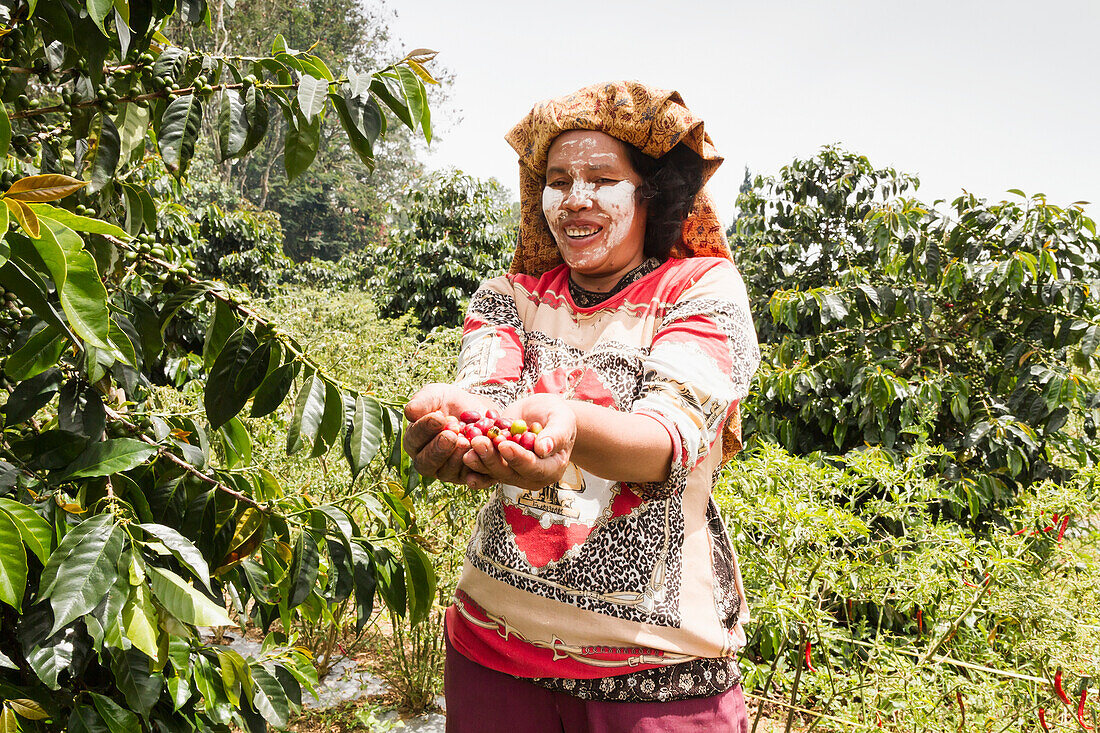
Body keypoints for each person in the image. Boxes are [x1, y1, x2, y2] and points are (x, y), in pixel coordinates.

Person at [403, 80, 761, 732]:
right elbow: (487, 398)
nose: (576, 198)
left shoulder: (701, 287)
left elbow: (665, 439)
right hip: (491, 651)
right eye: (559, 179)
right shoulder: (506, 296)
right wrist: (458, 423)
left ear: (648, 194)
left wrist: (564, 422)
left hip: (658, 675)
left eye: (601, 178)